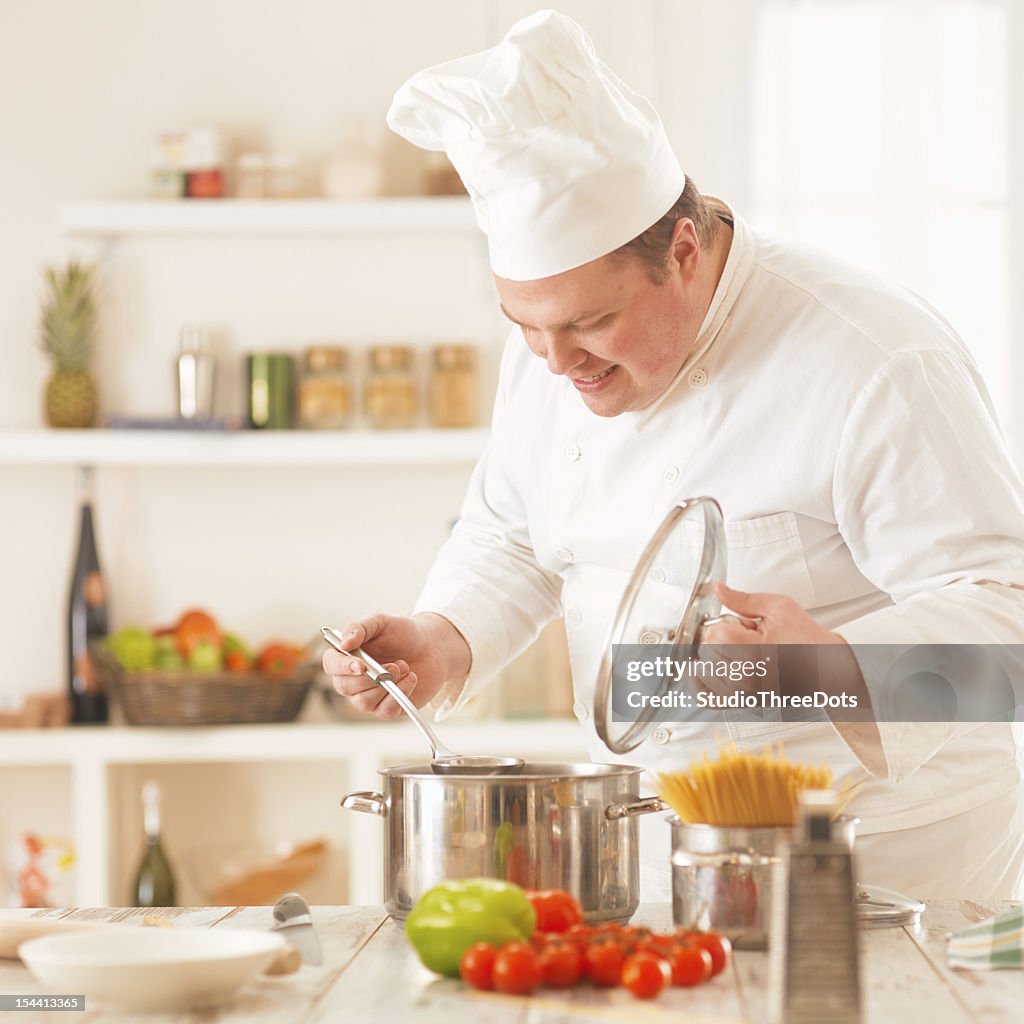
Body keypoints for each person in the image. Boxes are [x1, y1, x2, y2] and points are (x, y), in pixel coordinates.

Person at [324, 9, 1024, 899]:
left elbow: (1008, 621)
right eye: (524, 325)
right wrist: (443, 637)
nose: (556, 361)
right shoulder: (550, 353)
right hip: (652, 854)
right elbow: (512, 535)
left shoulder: (873, 357)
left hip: (882, 861)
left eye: (588, 322)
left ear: (683, 252)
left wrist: (832, 672)